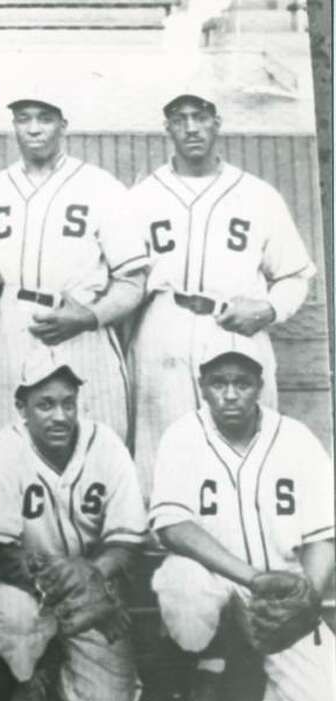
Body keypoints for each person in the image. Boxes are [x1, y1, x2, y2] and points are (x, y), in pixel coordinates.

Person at [128, 91, 316, 488]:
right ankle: (166, 541)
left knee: (247, 445)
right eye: (180, 118)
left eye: (200, 116)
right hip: (165, 323)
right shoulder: (141, 197)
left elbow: (296, 275)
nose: (191, 127)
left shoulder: (258, 194)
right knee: (162, 444)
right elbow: (124, 279)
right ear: (167, 129)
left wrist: (267, 310)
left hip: (235, 325)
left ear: (217, 123)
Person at [148, 331, 335, 701]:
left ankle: (255, 672)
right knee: (181, 582)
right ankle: (209, 668)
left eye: (242, 383)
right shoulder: (182, 437)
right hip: (216, 580)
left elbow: (323, 533)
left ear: (259, 387)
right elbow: (173, 527)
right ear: (202, 386)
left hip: (282, 589)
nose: (230, 394)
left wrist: (308, 598)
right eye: (219, 382)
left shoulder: (297, 438)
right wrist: (251, 578)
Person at [0, 346, 146, 701]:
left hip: (93, 585)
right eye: (45, 405)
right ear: (22, 408)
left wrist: (93, 575)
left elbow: (128, 538)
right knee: (15, 614)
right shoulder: (1, 451)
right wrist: (72, 576)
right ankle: (25, 674)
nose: (60, 416)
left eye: (69, 403)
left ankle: (54, 665)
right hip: (25, 584)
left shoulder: (107, 445)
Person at [0, 91, 147, 445]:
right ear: (14, 126)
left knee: (97, 438)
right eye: (24, 118)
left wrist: (89, 317)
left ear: (63, 125)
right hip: (12, 326)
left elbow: (132, 280)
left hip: (81, 326)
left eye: (45, 118)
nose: (34, 128)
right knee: (9, 444)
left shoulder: (100, 186)